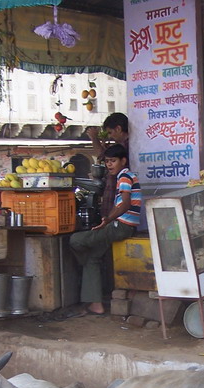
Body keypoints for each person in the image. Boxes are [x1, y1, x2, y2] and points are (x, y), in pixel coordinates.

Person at [69, 144, 140, 316]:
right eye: (107, 161)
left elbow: (125, 203)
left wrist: (108, 219)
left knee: (75, 240)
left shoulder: (125, 177)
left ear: (123, 161)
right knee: (92, 258)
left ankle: (83, 262)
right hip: (122, 226)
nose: (109, 165)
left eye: (113, 161)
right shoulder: (125, 176)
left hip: (120, 226)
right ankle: (96, 304)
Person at [86, 113, 129, 219]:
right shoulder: (121, 146)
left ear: (118, 129)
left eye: (110, 132)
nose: (110, 136)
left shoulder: (124, 147)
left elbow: (101, 154)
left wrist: (94, 138)